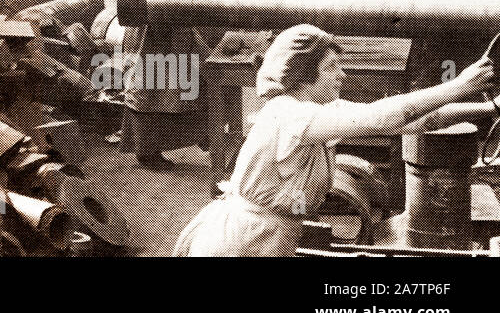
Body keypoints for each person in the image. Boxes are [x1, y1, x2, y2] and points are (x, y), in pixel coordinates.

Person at [175, 24, 496, 256]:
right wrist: (460, 84)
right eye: (331, 67)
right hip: (242, 242)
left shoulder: (319, 112)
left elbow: (408, 120)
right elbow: (383, 116)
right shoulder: (289, 115)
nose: (342, 75)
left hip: (271, 236)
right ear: (301, 75)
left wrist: (488, 107)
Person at [103, 0, 209, 170]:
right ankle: (146, 151)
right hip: (151, 25)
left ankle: (201, 134)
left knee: (189, 73)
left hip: (170, 19)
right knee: (149, 85)